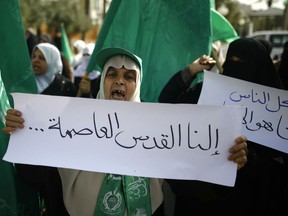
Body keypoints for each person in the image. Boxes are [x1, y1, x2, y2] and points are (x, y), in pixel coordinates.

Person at [3, 47, 247, 216]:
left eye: (129, 76)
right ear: (104, 83)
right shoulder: (72, 126)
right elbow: (37, 175)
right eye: (112, 74)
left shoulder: (158, 131)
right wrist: (22, 134)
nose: (120, 81)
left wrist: (224, 163)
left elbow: (190, 185)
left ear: (137, 86)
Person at [159, 37, 287, 215]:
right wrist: (191, 71)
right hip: (200, 199)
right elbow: (166, 105)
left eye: (244, 63)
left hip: (247, 201)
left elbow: (277, 166)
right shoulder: (205, 93)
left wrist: (248, 160)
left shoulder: (274, 112)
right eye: (232, 61)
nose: (237, 69)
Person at [7, 42, 78, 216]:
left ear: (53, 61)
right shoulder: (23, 86)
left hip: (55, 161)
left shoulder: (65, 86)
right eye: (34, 57)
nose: (36, 61)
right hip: (27, 158)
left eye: (42, 58)